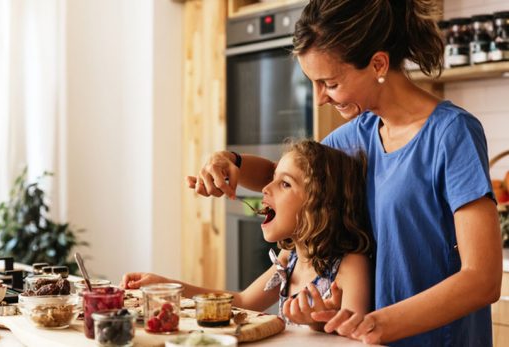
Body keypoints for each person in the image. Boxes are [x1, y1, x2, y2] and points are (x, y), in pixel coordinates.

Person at [187, 0, 503, 346]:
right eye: (315, 84)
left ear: (378, 63)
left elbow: (482, 278)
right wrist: (231, 163)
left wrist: (377, 323)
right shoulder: (358, 134)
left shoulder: (451, 133)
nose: (320, 98)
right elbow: (289, 177)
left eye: (331, 83)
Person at [122, 140, 373, 329]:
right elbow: (241, 301)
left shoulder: (349, 265)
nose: (265, 188)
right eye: (273, 178)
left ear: (322, 205)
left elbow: (358, 336)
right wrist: (165, 287)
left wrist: (318, 323)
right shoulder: (289, 259)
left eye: (285, 184)